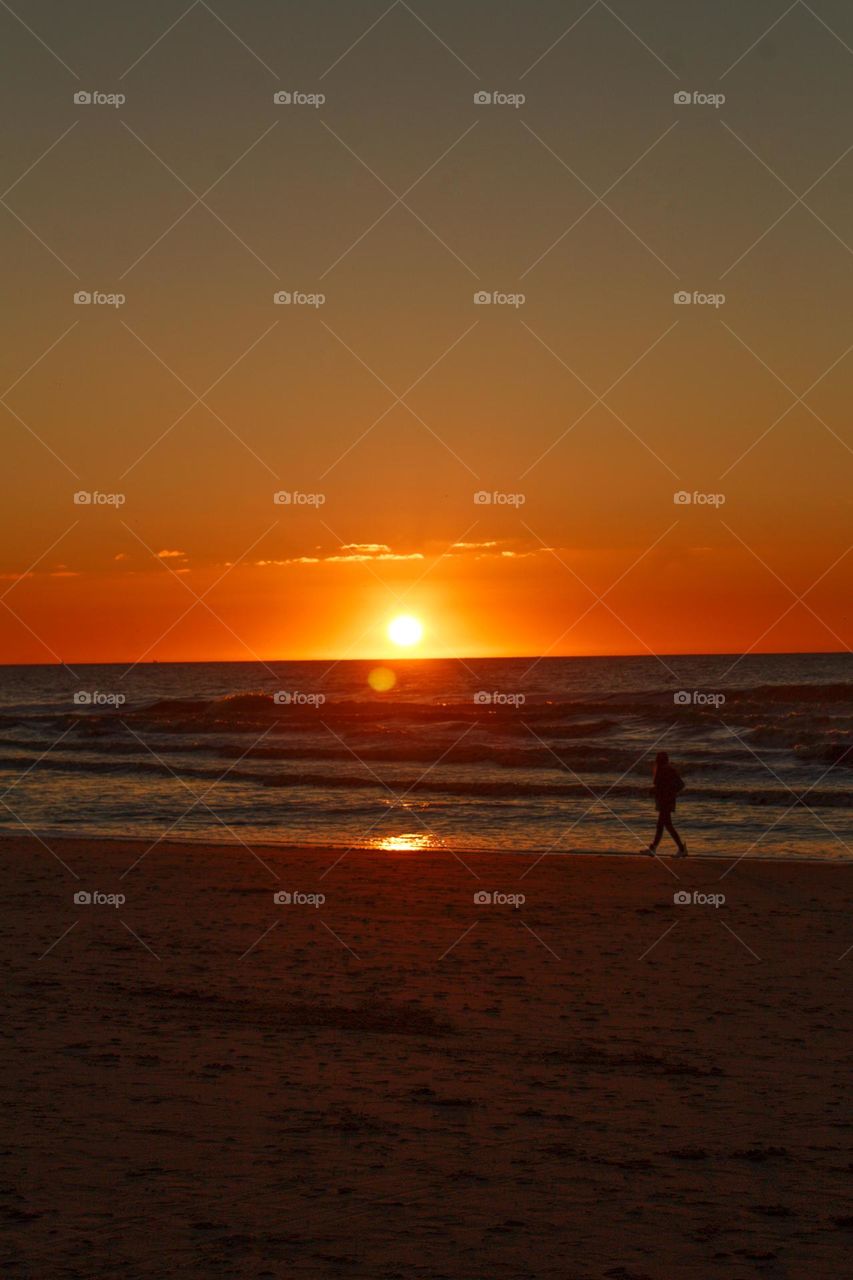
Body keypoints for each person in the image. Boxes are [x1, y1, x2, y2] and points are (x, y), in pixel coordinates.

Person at [646, 750, 687, 856]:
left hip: (666, 801)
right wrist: (668, 792)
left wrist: (669, 793)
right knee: (662, 825)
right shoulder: (666, 769)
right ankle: (654, 848)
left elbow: (679, 785)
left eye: (658, 759)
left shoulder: (666, 770)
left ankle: (681, 849)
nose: (657, 761)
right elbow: (666, 786)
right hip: (665, 800)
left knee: (666, 825)